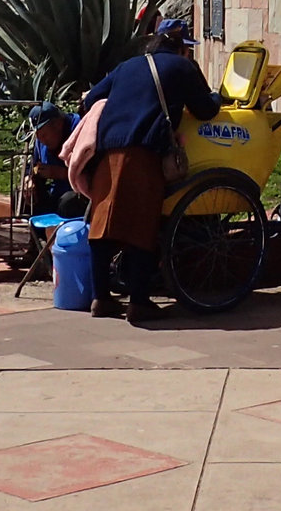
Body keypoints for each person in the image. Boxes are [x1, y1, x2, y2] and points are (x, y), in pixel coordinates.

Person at [76, 17, 219, 323]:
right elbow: (205, 110)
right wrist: (218, 97)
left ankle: (101, 298)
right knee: (141, 226)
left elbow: (90, 99)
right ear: (181, 48)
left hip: (107, 152)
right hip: (142, 153)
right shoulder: (183, 68)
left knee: (102, 227)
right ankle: (139, 302)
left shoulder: (127, 66)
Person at [26, 104, 85, 217]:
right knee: (24, 194)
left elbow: (92, 173)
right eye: (38, 137)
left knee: (68, 202)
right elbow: (32, 165)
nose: (42, 140)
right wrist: (28, 178)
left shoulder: (79, 131)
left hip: (79, 194)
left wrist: (61, 173)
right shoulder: (41, 141)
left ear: (58, 124)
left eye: (45, 135)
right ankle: (31, 232)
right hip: (55, 193)